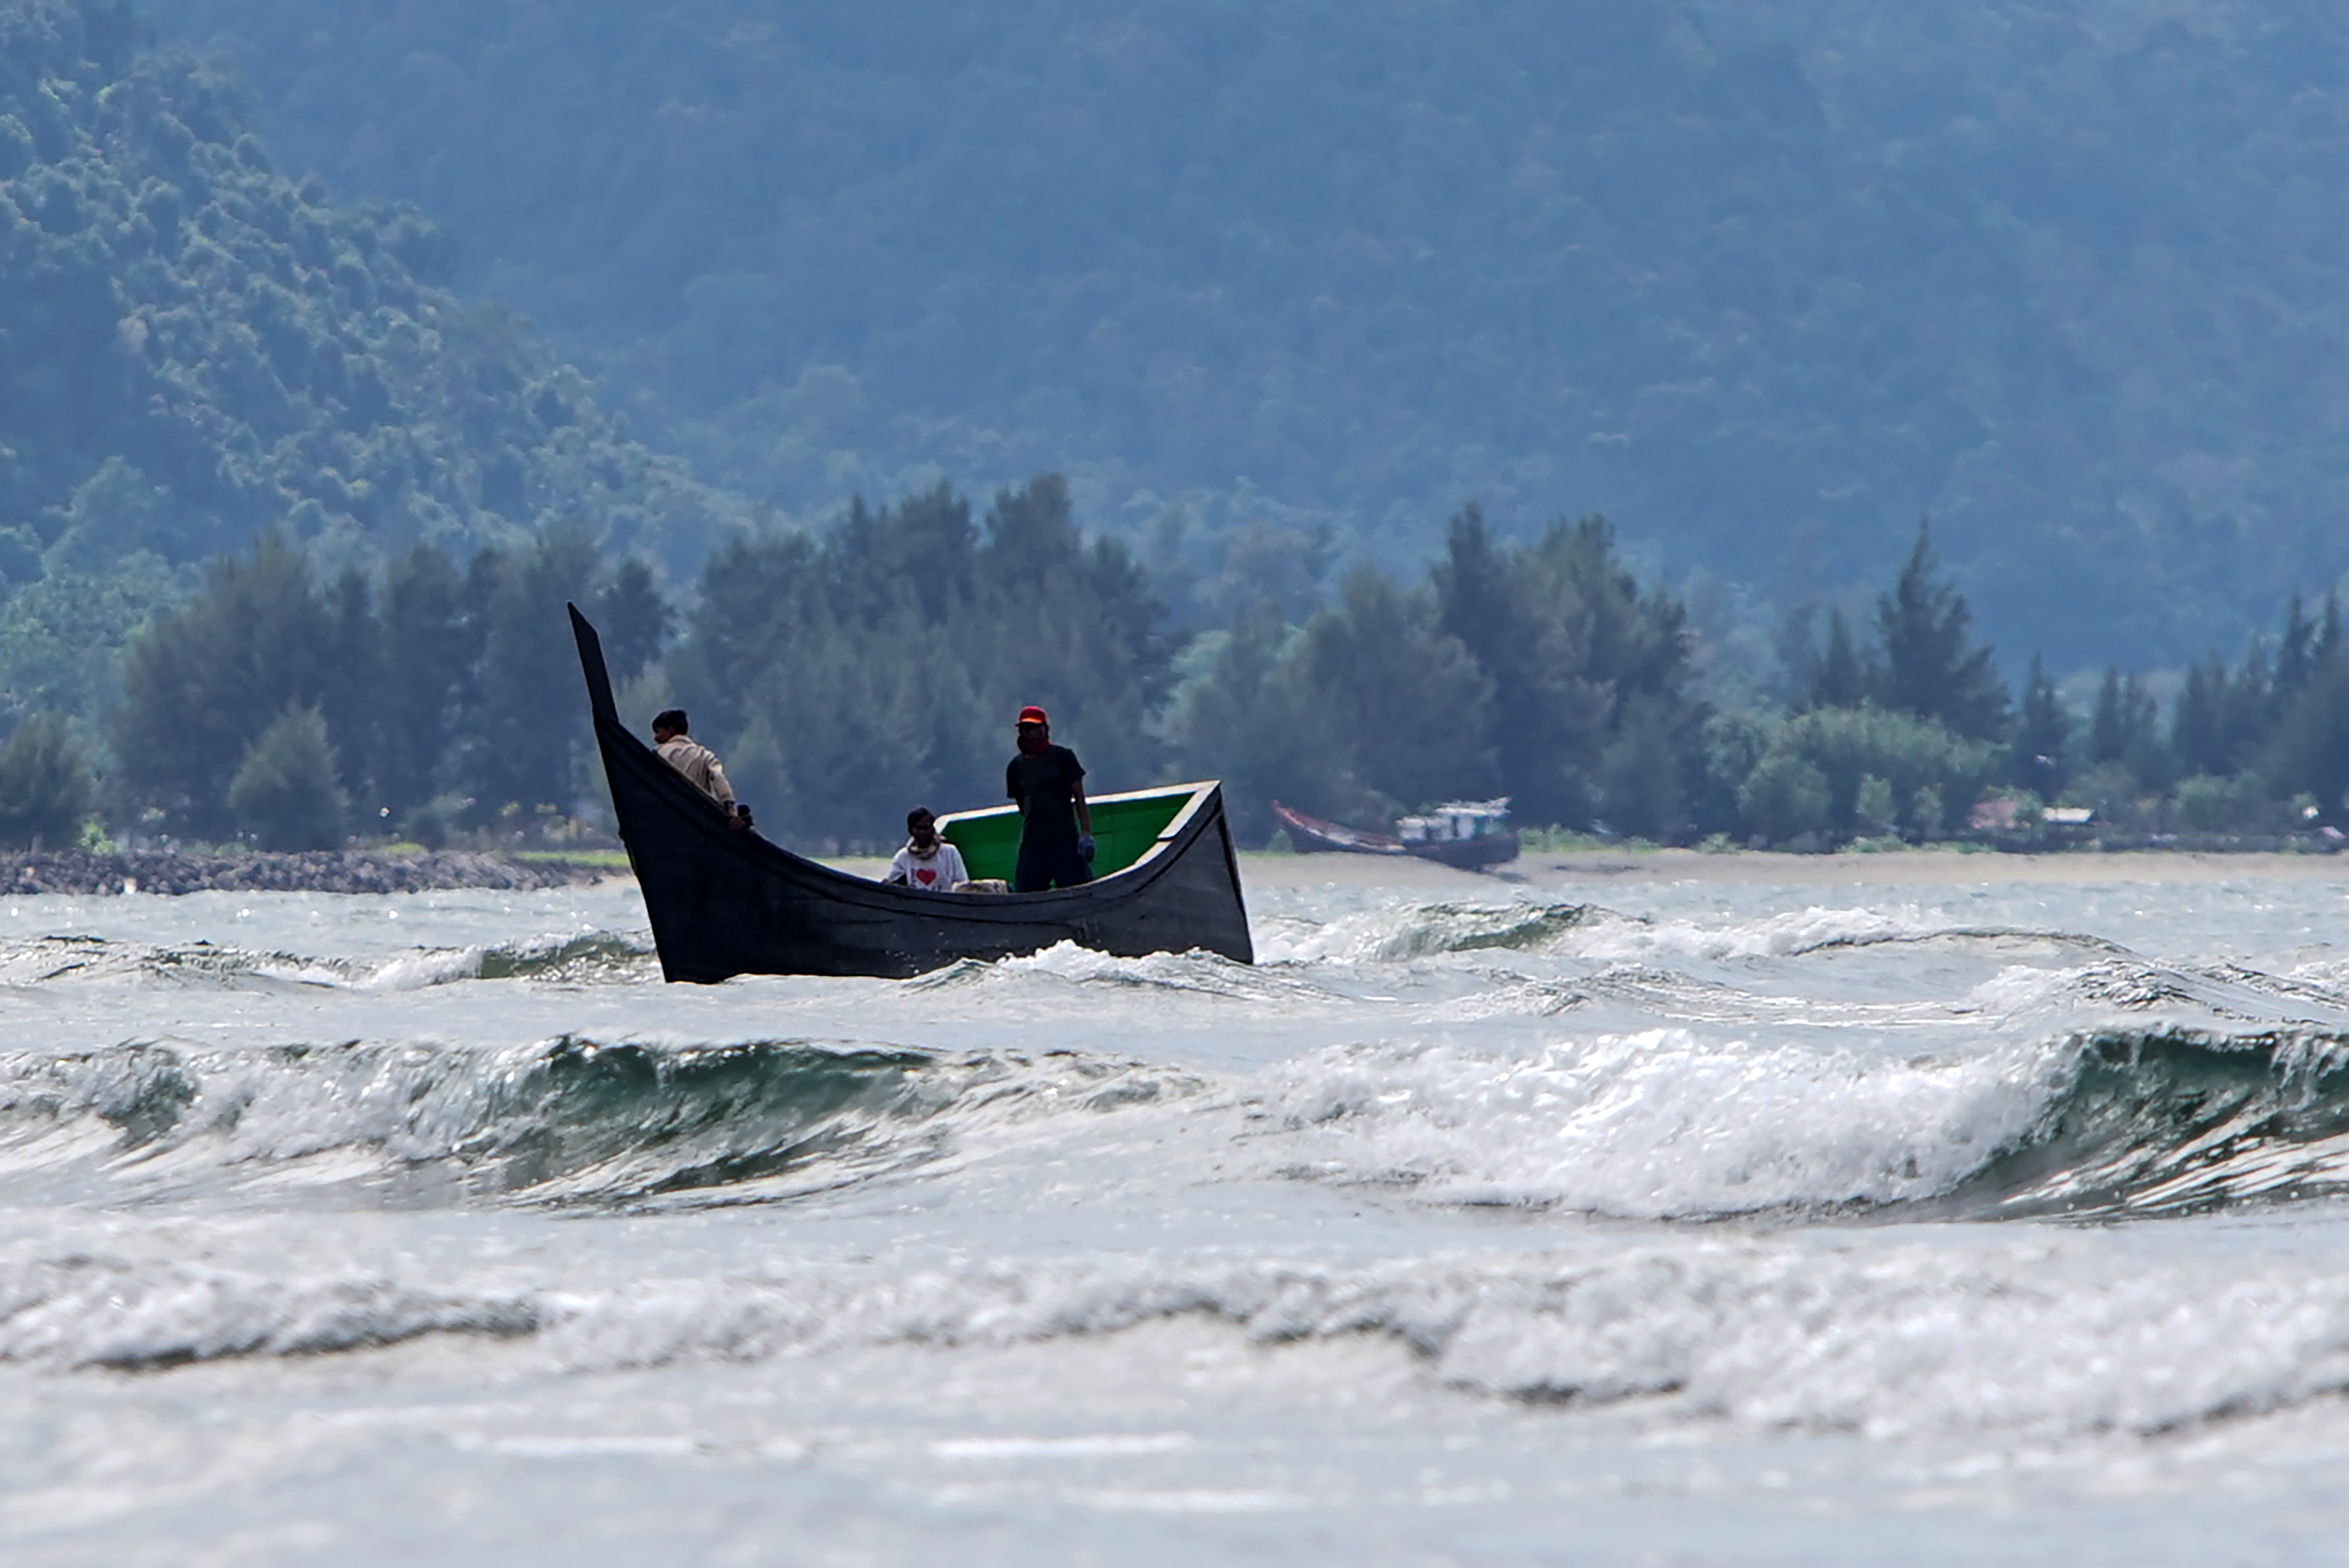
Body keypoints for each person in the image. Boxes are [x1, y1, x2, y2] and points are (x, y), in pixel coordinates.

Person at [1005, 704, 1093, 891]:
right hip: (1033, 842)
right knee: (1026, 896)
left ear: (1045, 729)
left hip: (1065, 840)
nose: (1032, 733)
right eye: (1027, 728)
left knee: (1077, 893)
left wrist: (1086, 833)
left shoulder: (1063, 757)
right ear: (1021, 732)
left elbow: (1079, 796)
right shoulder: (1016, 767)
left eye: (1036, 728)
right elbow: (1022, 804)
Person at [650, 708, 751, 830]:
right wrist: (731, 810)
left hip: (667, 815)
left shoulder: (659, 754)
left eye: (658, 732)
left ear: (671, 731)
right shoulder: (703, 755)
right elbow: (718, 778)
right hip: (699, 819)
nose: (656, 738)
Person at [884, 806, 969, 892]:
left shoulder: (950, 852)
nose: (923, 832)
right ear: (911, 830)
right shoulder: (903, 857)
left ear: (932, 829)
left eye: (926, 828)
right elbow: (891, 886)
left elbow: (962, 885)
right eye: (919, 828)